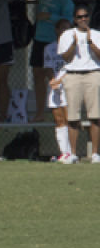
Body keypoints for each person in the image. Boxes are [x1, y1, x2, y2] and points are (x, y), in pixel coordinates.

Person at [23, 0, 74, 122]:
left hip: (54, 42)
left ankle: (61, 112)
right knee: (37, 75)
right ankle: (40, 113)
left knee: (54, 76)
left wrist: (49, 16)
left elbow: (69, 21)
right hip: (39, 40)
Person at [57, 4, 100, 164]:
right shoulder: (67, 35)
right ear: (74, 19)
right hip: (73, 75)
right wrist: (74, 44)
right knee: (73, 117)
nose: (83, 19)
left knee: (95, 116)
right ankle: (73, 153)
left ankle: (95, 154)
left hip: (93, 74)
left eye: (85, 16)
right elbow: (66, 58)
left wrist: (90, 43)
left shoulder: (96, 34)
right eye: (80, 17)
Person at [43, 19, 73, 163]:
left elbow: (73, 67)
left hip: (67, 85)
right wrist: (52, 80)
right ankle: (64, 152)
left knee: (69, 119)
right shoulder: (50, 48)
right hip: (54, 86)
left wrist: (60, 80)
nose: (64, 31)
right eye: (62, 28)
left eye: (67, 29)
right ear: (56, 29)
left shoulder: (73, 48)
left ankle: (72, 153)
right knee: (59, 120)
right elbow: (48, 66)